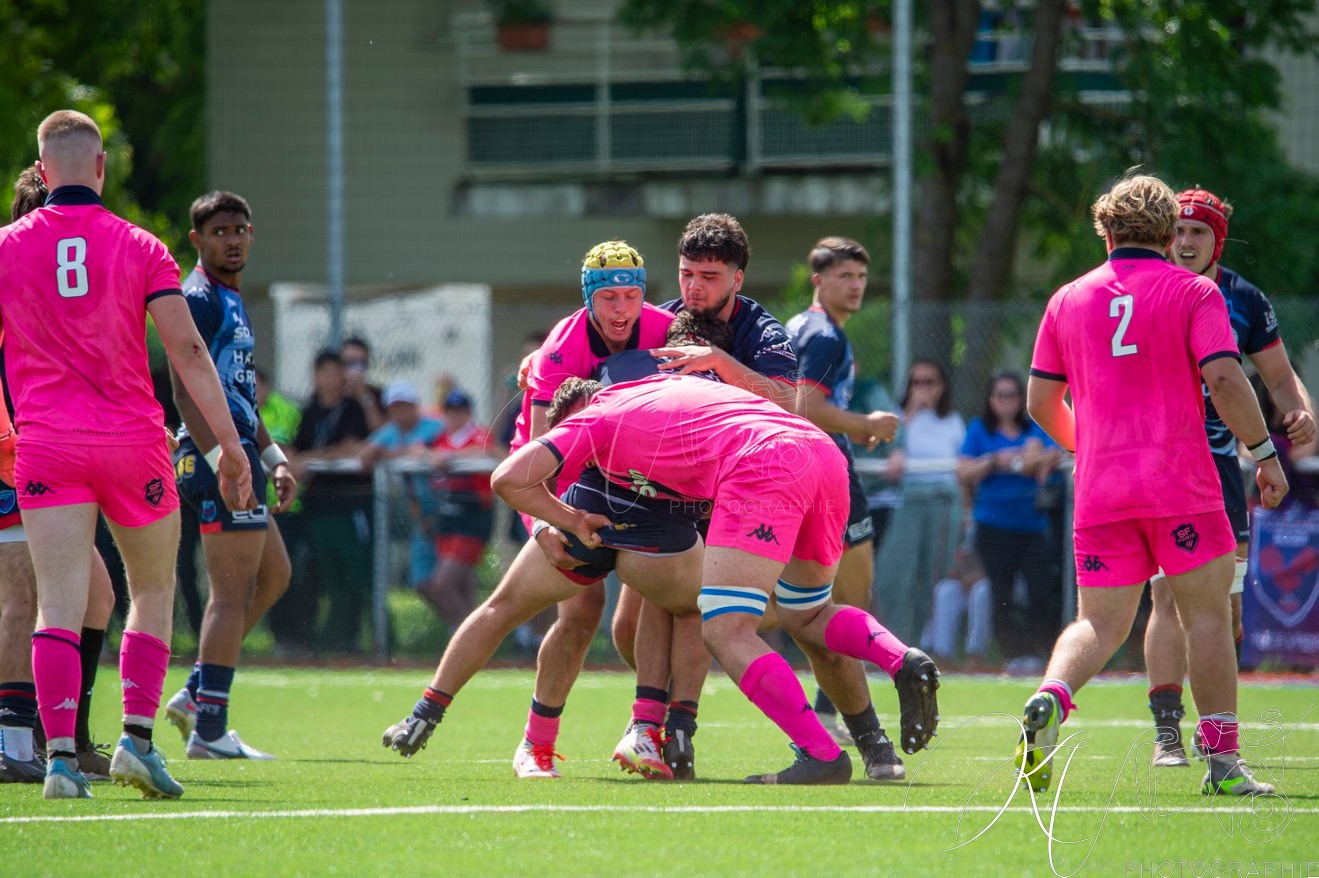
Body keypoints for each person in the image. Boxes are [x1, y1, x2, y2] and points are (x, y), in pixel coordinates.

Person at [382, 374, 940, 783]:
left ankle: (809, 752)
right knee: (807, 614)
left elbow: (509, 475)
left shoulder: (593, 420)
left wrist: (570, 518)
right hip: (817, 455)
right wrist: (562, 519)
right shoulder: (649, 388)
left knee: (721, 624)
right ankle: (899, 664)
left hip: (754, 472)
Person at [0, 110, 253, 800]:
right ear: (102, 167)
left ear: (42, 170)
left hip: (46, 444)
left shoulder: (5, 246)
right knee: (149, 590)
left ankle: (56, 760)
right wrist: (229, 446)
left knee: (58, 604)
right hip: (132, 443)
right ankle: (137, 742)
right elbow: (187, 351)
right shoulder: (141, 245)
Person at [1018, 171, 1286, 798]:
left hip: (1101, 488)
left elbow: (1038, 402)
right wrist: (1264, 452)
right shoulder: (1194, 292)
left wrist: (1092, 448)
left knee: (1100, 624)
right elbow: (1225, 381)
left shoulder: (1067, 298)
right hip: (1182, 486)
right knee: (1208, 617)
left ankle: (1051, 696)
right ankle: (1222, 763)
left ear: (1105, 230)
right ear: (1168, 233)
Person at [1144, 188, 1315, 768]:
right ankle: (1168, 733)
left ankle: (1210, 726)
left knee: (1226, 610)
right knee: (1167, 596)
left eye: (1199, 232)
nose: (1185, 242)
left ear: (1218, 240)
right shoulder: (1147, 288)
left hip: (1220, 469)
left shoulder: (1244, 299)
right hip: (1158, 464)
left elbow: (1279, 378)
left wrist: (1301, 411)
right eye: (1178, 231)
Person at [493, 240, 672, 778]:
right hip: (568, 482)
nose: (622, 309)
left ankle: (653, 731)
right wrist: (546, 519)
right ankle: (534, 744)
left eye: (632, 295)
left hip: (640, 484)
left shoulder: (665, 328)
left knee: (646, 617)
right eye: (609, 296)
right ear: (589, 299)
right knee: (579, 612)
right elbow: (541, 456)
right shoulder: (558, 350)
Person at [162, 191, 296, 760]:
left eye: (240, 229)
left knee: (274, 576)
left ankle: (197, 694)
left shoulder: (232, 300)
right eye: (219, 231)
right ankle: (210, 729)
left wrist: (273, 458)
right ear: (197, 240)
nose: (233, 239)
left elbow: (238, 395)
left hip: (242, 453)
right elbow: (184, 389)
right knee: (230, 594)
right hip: (217, 456)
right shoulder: (198, 298)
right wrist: (224, 461)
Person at [0, 167, 118, 785]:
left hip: (49, 456)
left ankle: (61, 734)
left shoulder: (60, 291)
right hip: (12, 456)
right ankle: (14, 739)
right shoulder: (12, 268)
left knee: (95, 596)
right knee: (25, 593)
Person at [785, 236, 905, 775]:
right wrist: (867, 424)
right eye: (844, 277)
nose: (855, 285)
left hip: (797, 474)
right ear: (819, 281)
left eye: (860, 276)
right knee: (849, 602)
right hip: (829, 477)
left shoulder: (797, 327)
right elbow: (805, 405)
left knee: (822, 599)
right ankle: (833, 715)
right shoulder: (824, 335)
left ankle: (828, 710)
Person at [957, 370, 1062, 672]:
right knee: (999, 591)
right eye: (1000, 395)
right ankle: (1012, 654)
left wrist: (1014, 461)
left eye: (1013, 395)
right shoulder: (980, 430)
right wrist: (993, 461)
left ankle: (1039, 651)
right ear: (991, 399)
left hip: (1031, 523)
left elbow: (1046, 455)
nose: (1007, 401)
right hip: (993, 523)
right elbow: (964, 472)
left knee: (1041, 588)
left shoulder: (1035, 428)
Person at [874, 360, 966, 646]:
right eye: (917, 382)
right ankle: (894, 644)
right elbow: (887, 446)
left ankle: (928, 647)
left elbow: (962, 470)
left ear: (942, 386)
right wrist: (911, 410)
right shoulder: (898, 418)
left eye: (930, 382)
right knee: (893, 576)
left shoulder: (952, 421)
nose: (923, 388)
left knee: (933, 579)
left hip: (943, 503)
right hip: (908, 503)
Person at [286, 350, 372, 653]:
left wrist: (310, 459)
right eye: (324, 372)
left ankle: (356, 638)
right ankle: (325, 640)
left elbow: (351, 447)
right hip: (317, 507)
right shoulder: (309, 411)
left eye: (335, 373)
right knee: (323, 575)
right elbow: (295, 450)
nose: (329, 379)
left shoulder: (352, 409)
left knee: (355, 574)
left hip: (348, 505)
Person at [420, 389, 501, 630]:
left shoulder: (477, 436)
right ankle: (477, 647)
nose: (456, 417)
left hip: (472, 521)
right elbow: (417, 449)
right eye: (451, 412)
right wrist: (433, 454)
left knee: (442, 584)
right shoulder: (439, 439)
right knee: (463, 588)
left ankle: (471, 637)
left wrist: (449, 457)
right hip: (447, 522)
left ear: (468, 413)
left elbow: (492, 451)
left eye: (461, 412)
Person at [359, 379, 445, 594]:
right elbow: (365, 457)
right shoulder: (390, 431)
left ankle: (466, 623)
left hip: (448, 509)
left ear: (415, 405)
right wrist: (403, 452)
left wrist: (389, 453)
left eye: (405, 405)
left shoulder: (436, 426)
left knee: (452, 578)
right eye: (395, 406)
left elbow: (437, 453)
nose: (400, 411)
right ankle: (460, 624)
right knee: (422, 582)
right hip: (420, 515)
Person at [341, 335, 386, 432]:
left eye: (361, 364)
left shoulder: (379, 395)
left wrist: (364, 397)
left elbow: (383, 434)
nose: (355, 369)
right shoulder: (330, 394)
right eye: (350, 363)